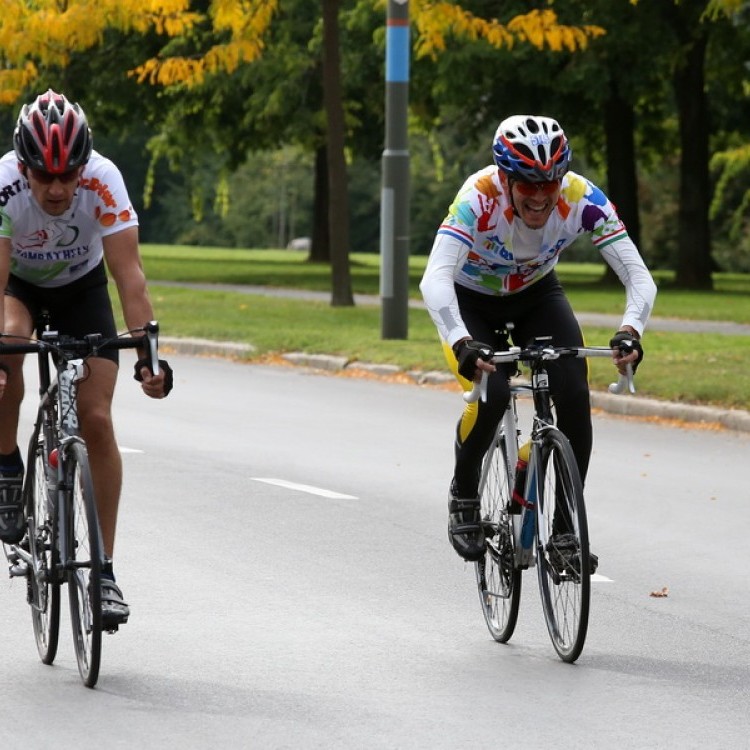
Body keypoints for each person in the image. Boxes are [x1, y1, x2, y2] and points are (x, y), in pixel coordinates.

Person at [420, 114, 657, 564]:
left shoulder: (582, 199)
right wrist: (460, 341)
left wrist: (630, 331)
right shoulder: (479, 198)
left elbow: (638, 278)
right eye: (528, 184)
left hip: (536, 295)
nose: (541, 196)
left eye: (550, 182)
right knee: (491, 396)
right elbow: (435, 278)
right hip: (472, 301)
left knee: (573, 397)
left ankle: (566, 535)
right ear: (506, 178)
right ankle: (464, 492)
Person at [0, 89, 173, 629]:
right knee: (8, 347)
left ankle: (102, 572)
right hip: (18, 287)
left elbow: (130, 275)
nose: (55, 189)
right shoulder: (4, 184)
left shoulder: (105, 178)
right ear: (23, 167)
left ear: (83, 168)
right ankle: (6, 464)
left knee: (96, 419)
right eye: (43, 177)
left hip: (82, 288)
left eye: (66, 176)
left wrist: (147, 351)